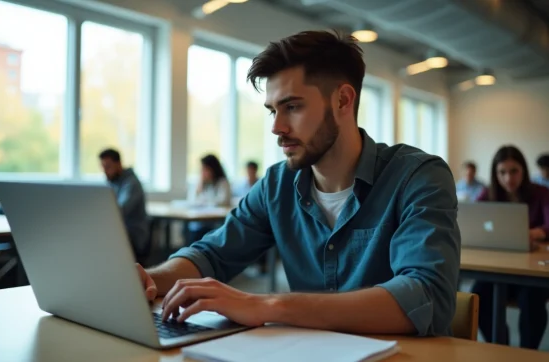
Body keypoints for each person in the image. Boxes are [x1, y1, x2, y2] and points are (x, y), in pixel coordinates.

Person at [137, 30, 460, 337]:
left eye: (292, 107)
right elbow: (211, 254)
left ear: (343, 101)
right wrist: (147, 280)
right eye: (272, 111)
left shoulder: (418, 176)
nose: (277, 127)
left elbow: (426, 296)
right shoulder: (277, 184)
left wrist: (267, 305)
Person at [471, 145, 549, 349]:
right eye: (502, 172)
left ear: (523, 170)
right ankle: (501, 347)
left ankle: (526, 352)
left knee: (532, 302)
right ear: (495, 173)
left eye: (514, 171)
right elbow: (472, 217)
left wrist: (532, 233)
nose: (508, 178)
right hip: (498, 267)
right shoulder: (488, 193)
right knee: (477, 299)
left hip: (532, 271)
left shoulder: (541, 193)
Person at [99, 149, 149, 261]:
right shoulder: (112, 182)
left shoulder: (132, 183)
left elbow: (120, 210)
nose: (105, 171)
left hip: (133, 235)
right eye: (102, 167)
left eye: (108, 167)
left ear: (119, 164)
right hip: (119, 231)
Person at [185, 154, 231, 243]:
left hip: (215, 223)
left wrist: (205, 202)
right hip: (199, 221)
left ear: (213, 169)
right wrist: (199, 186)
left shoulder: (222, 182)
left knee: (201, 233)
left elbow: (223, 201)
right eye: (202, 169)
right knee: (188, 229)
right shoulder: (201, 182)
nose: (203, 172)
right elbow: (191, 201)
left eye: (205, 169)